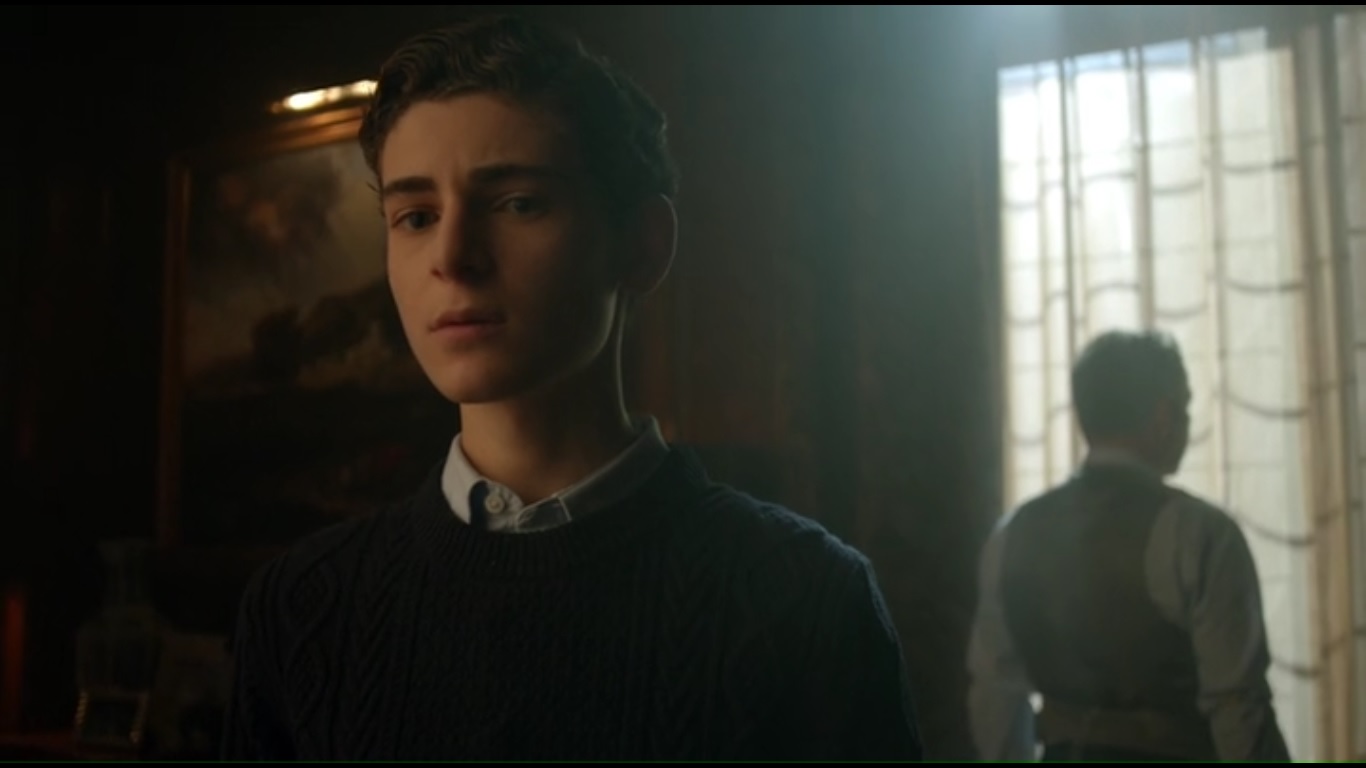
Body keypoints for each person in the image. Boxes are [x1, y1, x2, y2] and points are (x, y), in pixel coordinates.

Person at [220, 13, 922, 761]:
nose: (452, 257)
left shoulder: (807, 602)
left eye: (518, 202)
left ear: (642, 246)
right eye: (416, 216)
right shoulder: (301, 605)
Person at [967, 329, 1292, 762]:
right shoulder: (1200, 533)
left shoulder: (1013, 534)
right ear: (1163, 417)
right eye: (1185, 408)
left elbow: (994, 698)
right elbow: (1239, 709)